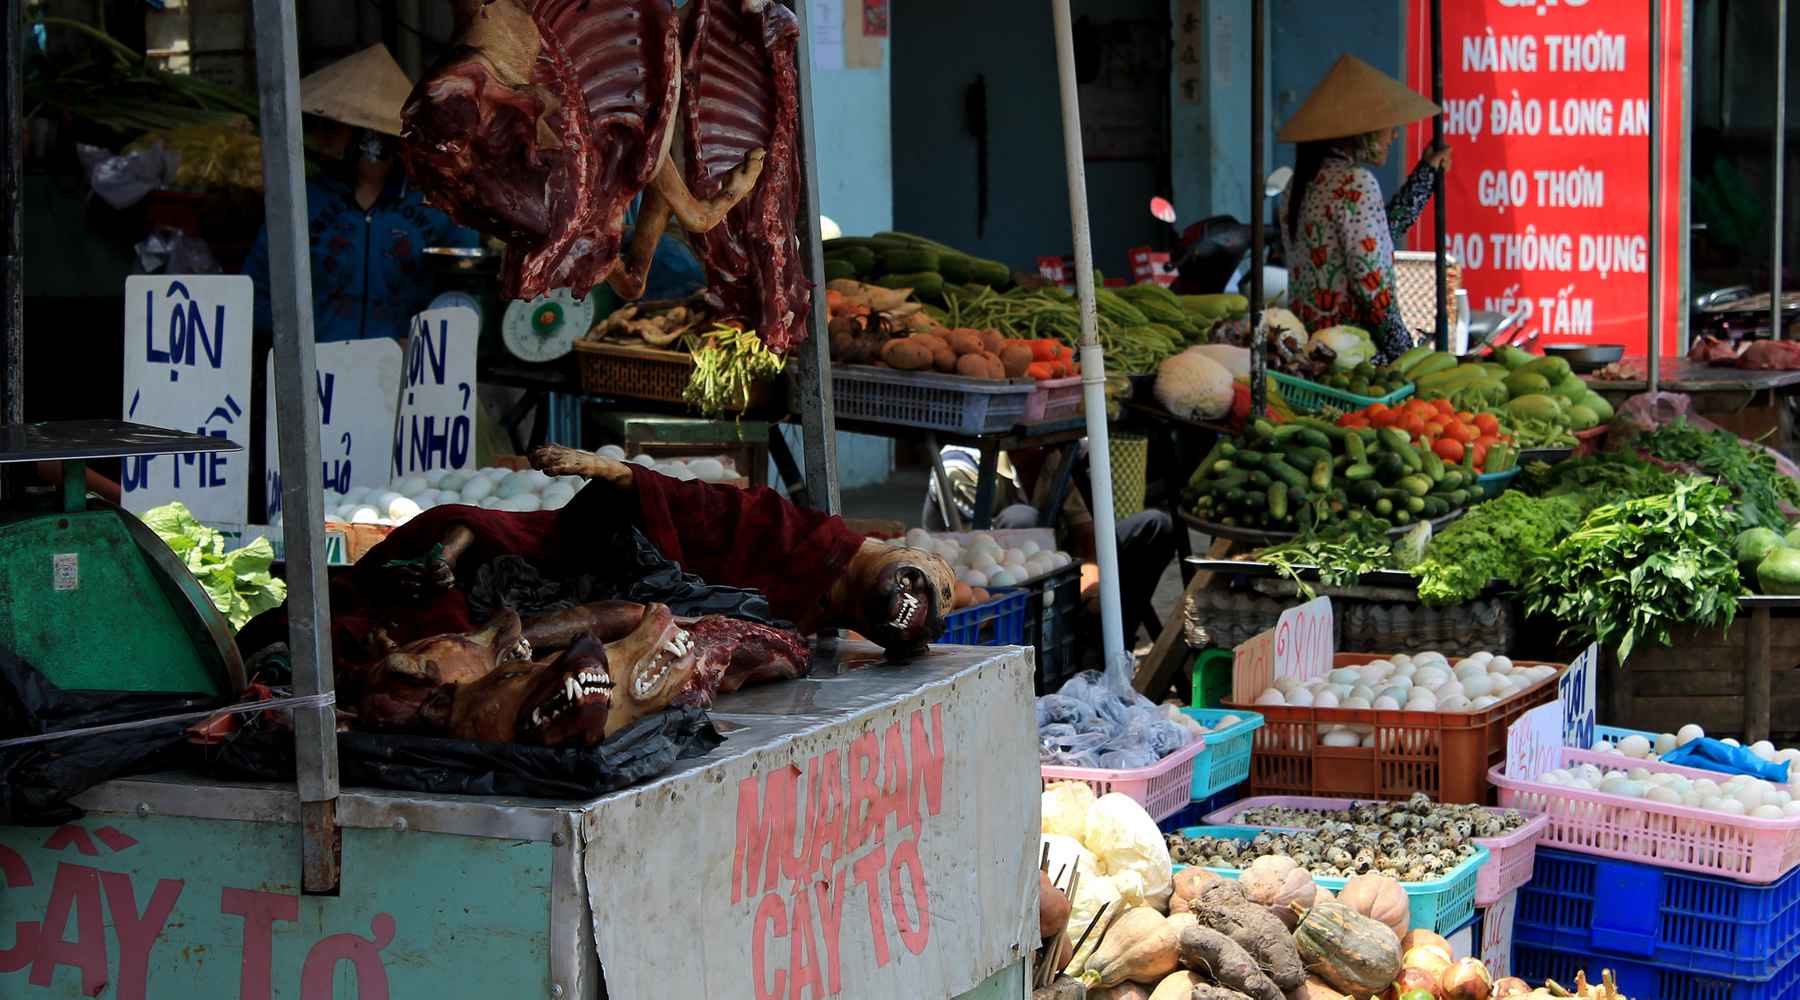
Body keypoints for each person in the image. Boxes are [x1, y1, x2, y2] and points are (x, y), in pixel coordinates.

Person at [242, 44, 478, 344]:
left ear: (373, 136)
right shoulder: (302, 202)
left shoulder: (440, 205)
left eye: (333, 127)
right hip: (321, 376)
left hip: (407, 374)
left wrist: (425, 341)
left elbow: (468, 293)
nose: (320, 137)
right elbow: (258, 290)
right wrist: (301, 344)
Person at [1280, 55, 1453, 364]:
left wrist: (1425, 176)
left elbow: (1376, 235)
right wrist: (1408, 358)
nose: (1394, 135)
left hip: (1312, 354)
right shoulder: (1355, 182)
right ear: (1361, 131)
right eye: (1388, 127)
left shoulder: (1299, 184)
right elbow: (1374, 293)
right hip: (1354, 359)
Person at [920, 444, 1175, 644]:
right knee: (1021, 519)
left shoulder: (1053, 455)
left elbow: (1085, 535)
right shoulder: (961, 465)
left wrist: (1091, 588)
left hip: (1051, 575)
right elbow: (974, 560)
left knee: (1154, 526)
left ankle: (1107, 645)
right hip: (988, 596)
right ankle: (1036, 643)